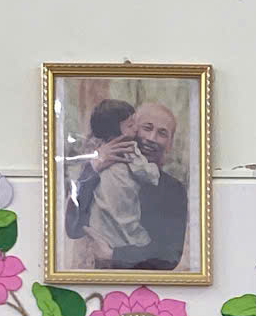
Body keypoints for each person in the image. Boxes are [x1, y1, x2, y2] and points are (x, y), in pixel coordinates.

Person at [66, 101, 189, 271]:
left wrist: (113, 255)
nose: (151, 138)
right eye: (147, 128)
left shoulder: (173, 190)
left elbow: (169, 256)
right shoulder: (98, 171)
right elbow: (73, 228)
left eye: (162, 133)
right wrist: (93, 168)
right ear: (129, 129)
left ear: (170, 143)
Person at [78, 98, 162, 268]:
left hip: (105, 213)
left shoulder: (99, 150)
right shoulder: (127, 147)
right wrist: (153, 170)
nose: (136, 129)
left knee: (106, 220)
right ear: (116, 131)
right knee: (124, 222)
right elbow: (147, 174)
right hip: (120, 202)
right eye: (131, 125)